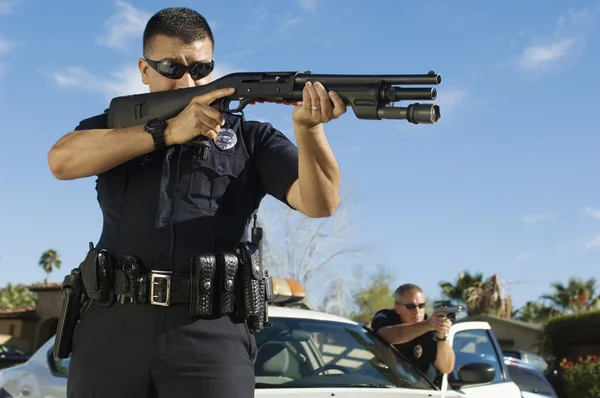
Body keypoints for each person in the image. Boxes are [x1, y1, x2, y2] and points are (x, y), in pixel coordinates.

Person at [47, 7, 346, 398]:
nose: (189, 79)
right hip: (111, 327)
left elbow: (320, 202)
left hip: (211, 331)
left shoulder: (252, 139)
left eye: (203, 68)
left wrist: (309, 130)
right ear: (144, 70)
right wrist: (167, 132)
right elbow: (61, 160)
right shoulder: (115, 126)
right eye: (172, 67)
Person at [370, 284, 455, 382]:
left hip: (427, 390)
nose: (417, 311)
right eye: (411, 307)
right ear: (397, 308)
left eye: (421, 306)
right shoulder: (385, 317)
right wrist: (428, 325)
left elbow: (446, 368)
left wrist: (442, 336)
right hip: (388, 384)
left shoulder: (431, 325)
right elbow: (387, 336)